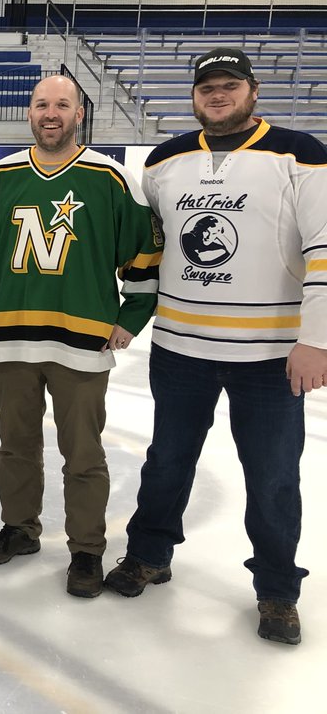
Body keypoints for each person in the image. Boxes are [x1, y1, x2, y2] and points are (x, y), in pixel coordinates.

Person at [104, 48, 327, 646]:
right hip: (181, 349)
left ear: (253, 92)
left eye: (231, 85)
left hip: (270, 356)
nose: (218, 95)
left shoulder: (300, 154)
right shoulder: (165, 160)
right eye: (208, 88)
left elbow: (324, 250)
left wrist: (318, 339)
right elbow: (143, 248)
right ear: (194, 96)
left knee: (274, 477)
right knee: (167, 461)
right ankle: (150, 554)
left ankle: (278, 590)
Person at [0, 74, 161, 598]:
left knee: (84, 454)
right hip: (11, 343)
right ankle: (20, 528)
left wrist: (131, 316)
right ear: (29, 112)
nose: (51, 113)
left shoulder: (111, 178)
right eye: (41, 104)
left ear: (79, 114)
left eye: (62, 105)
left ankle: (86, 549)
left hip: (82, 345)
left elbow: (145, 256)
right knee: (15, 446)